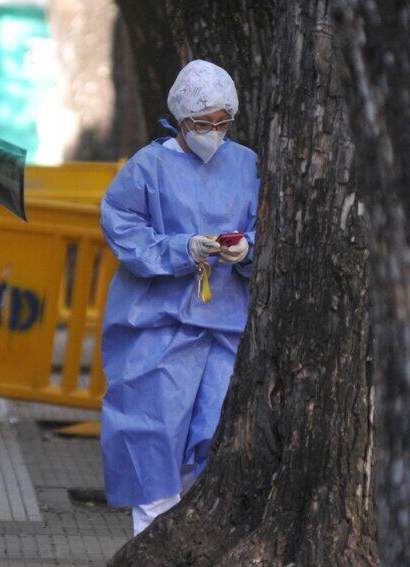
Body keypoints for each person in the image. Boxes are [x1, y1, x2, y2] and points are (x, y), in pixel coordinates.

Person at [99, 60, 259, 535]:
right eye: (202, 123)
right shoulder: (148, 167)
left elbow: (274, 226)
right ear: (180, 119)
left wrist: (250, 246)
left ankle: (194, 546)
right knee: (153, 434)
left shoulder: (248, 164)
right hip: (157, 324)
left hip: (226, 323)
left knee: (215, 432)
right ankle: (149, 543)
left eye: (222, 122)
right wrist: (182, 249)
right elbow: (125, 231)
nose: (214, 132)